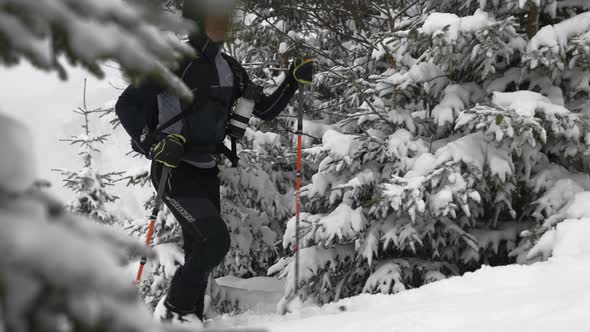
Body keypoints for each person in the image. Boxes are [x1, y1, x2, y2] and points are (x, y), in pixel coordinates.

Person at [115, 0, 314, 326]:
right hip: (173, 170)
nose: (223, 25)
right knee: (215, 240)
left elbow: (262, 109)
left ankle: (189, 319)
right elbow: (127, 105)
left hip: (206, 169)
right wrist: (153, 144)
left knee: (199, 247)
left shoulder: (230, 67)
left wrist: (291, 81)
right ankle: (174, 311)